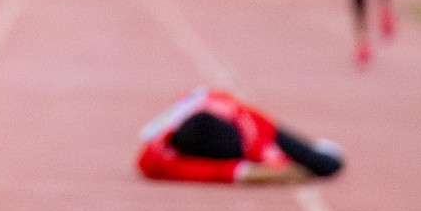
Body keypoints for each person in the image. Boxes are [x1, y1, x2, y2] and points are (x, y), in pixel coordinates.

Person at [137, 87, 345, 184]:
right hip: (245, 141)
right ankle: (312, 152)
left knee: (325, 164)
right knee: (324, 167)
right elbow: (223, 172)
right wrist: (277, 173)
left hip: (258, 129)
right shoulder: (155, 161)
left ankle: (313, 147)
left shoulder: (212, 102)